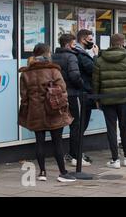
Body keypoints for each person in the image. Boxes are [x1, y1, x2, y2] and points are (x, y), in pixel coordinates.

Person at [18, 43, 76, 182]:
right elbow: (62, 89)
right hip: (53, 110)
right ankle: (62, 173)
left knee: (39, 142)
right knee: (57, 142)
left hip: (35, 111)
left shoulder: (26, 73)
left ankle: (42, 172)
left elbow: (24, 96)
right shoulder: (53, 71)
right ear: (47, 54)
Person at [92, 33, 126, 169]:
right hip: (124, 98)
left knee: (111, 129)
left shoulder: (100, 60)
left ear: (110, 44)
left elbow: (95, 82)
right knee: (124, 128)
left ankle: (115, 159)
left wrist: (96, 99)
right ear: (123, 42)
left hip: (106, 99)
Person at [52, 34, 90, 167]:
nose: (75, 47)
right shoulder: (71, 56)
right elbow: (75, 75)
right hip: (73, 94)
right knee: (76, 125)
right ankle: (75, 156)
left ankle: (60, 155)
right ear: (68, 44)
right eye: (74, 44)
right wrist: (82, 85)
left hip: (58, 95)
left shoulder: (53, 56)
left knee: (59, 124)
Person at [73, 29, 99, 165]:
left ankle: (75, 153)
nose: (92, 42)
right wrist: (96, 56)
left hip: (84, 93)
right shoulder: (80, 54)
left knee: (80, 125)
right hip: (83, 94)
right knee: (80, 125)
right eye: (90, 40)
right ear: (82, 40)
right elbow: (94, 69)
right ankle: (76, 155)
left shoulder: (80, 53)